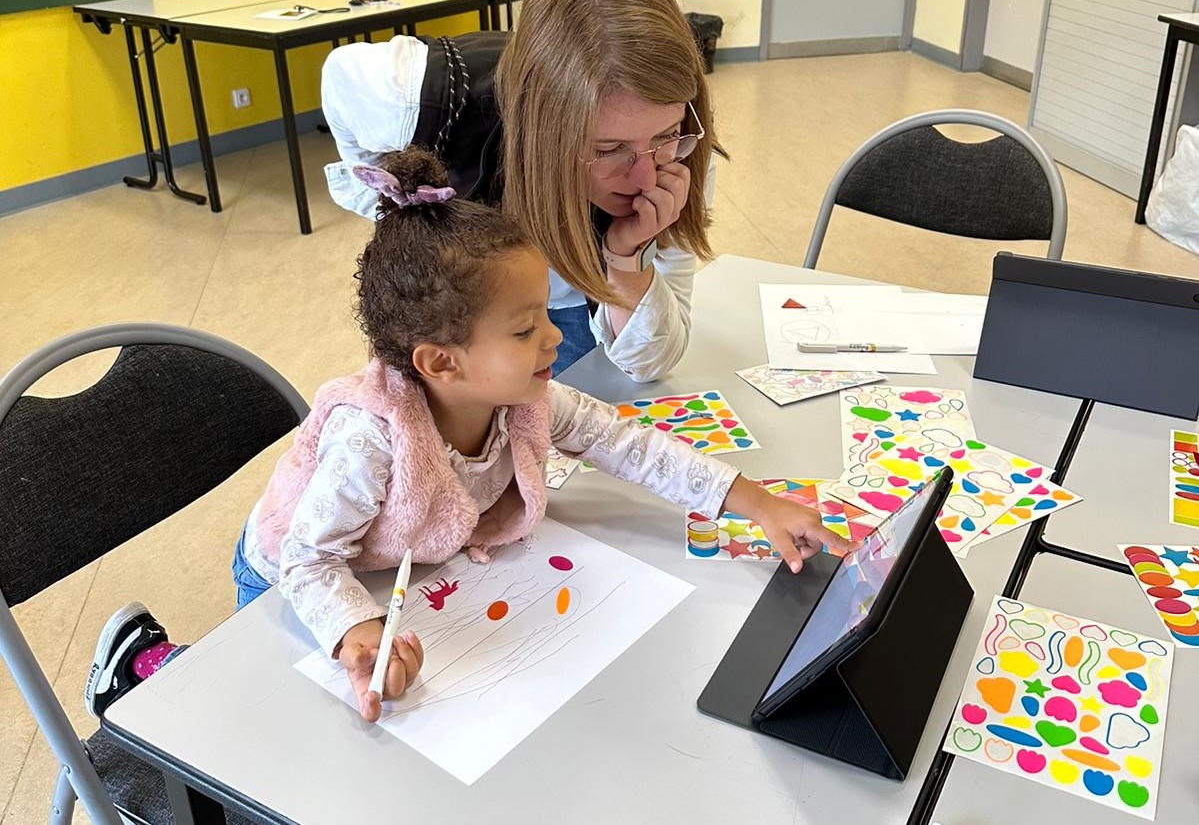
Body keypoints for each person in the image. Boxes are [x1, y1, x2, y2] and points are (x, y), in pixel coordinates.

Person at [85, 150, 853, 725]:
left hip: (401, 567)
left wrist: (749, 498)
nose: (555, 340)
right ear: (440, 362)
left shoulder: (523, 393)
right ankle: (146, 665)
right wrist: (354, 623)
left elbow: (624, 442)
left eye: (545, 316)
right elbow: (309, 558)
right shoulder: (373, 441)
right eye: (526, 328)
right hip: (294, 570)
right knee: (262, 721)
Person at [321, 0, 717, 382]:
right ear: (540, 125)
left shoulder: (685, 150)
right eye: (607, 149)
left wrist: (627, 259)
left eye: (663, 136)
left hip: (575, 302)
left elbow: (649, 364)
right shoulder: (416, 94)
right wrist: (398, 200)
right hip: (466, 293)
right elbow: (339, 76)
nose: (645, 178)